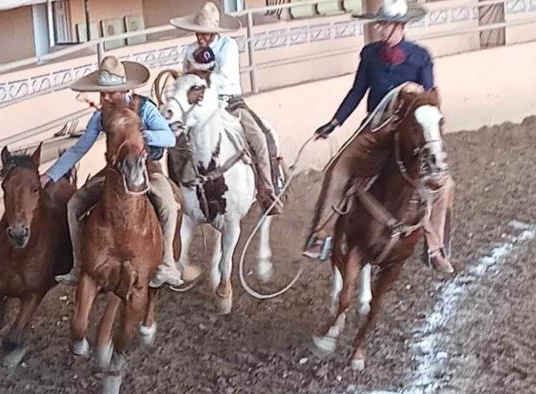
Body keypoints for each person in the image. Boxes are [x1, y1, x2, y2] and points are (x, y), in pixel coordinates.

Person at [302, 0, 455, 273]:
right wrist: (335, 122)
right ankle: (322, 233)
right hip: (375, 127)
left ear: (400, 26)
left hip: (409, 132)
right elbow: (357, 91)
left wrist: (416, 91)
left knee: (443, 183)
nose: (380, 29)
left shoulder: (420, 56)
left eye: (384, 25)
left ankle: (434, 247)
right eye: (379, 24)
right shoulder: (369, 54)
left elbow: (430, 100)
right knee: (338, 168)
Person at [42, 56, 199, 288]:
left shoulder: (145, 109)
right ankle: (78, 266)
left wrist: (141, 137)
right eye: (102, 93)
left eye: (111, 93)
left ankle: (167, 262)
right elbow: (79, 148)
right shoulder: (100, 116)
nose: (106, 97)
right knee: (74, 204)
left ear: (124, 89)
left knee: (169, 204)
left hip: (147, 168)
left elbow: (168, 137)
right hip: (114, 172)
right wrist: (50, 175)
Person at [170, 1, 284, 215]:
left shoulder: (228, 46)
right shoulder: (190, 50)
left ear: (215, 32)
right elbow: (185, 78)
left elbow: (224, 77)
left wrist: (200, 80)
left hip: (229, 102)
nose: (201, 37)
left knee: (259, 136)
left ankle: (267, 190)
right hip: (198, 105)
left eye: (205, 33)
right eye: (198, 33)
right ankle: (179, 194)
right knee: (175, 143)